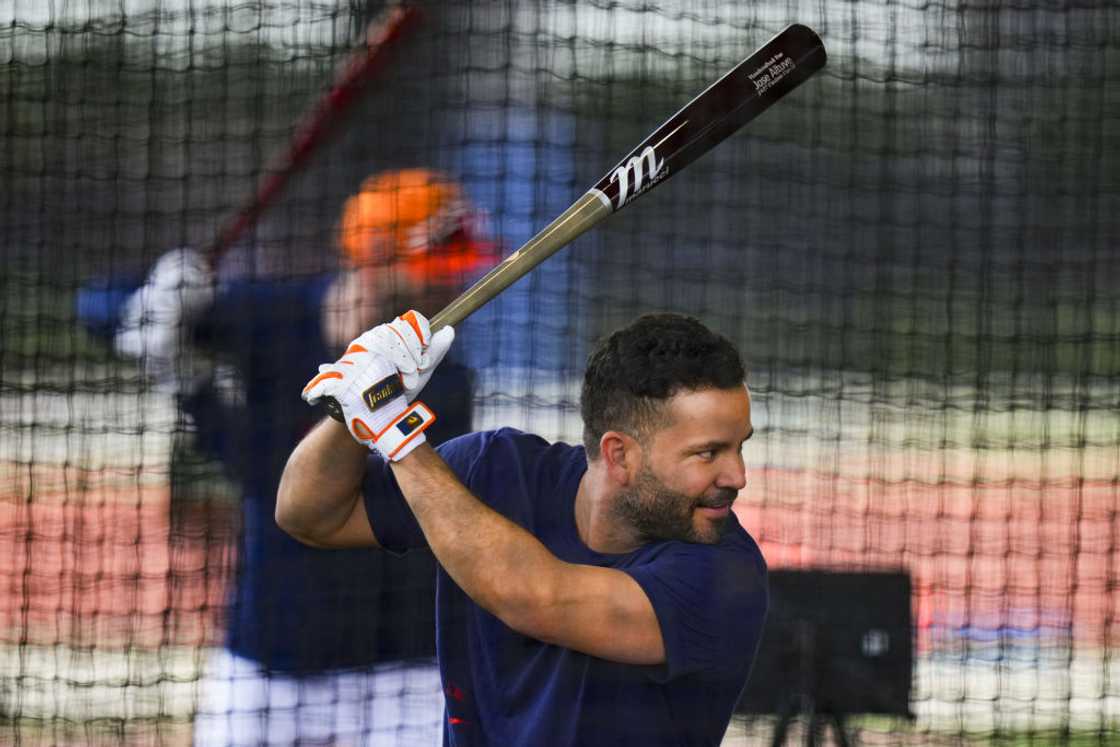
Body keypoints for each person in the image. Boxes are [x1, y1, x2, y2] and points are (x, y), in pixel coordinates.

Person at [77, 169, 495, 746]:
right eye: (433, 269)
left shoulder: (443, 379)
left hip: (398, 668)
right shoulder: (274, 318)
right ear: (377, 258)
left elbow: (293, 492)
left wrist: (190, 388)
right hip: (270, 653)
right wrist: (155, 303)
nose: (449, 285)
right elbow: (93, 303)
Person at [276, 309, 770, 746]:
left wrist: (394, 431)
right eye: (708, 453)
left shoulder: (725, 574)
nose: (737, 477)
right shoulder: (490, 469)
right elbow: (309, 515)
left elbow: (536, 598)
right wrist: (357, 405)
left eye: (739, 446)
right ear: (620, 455)